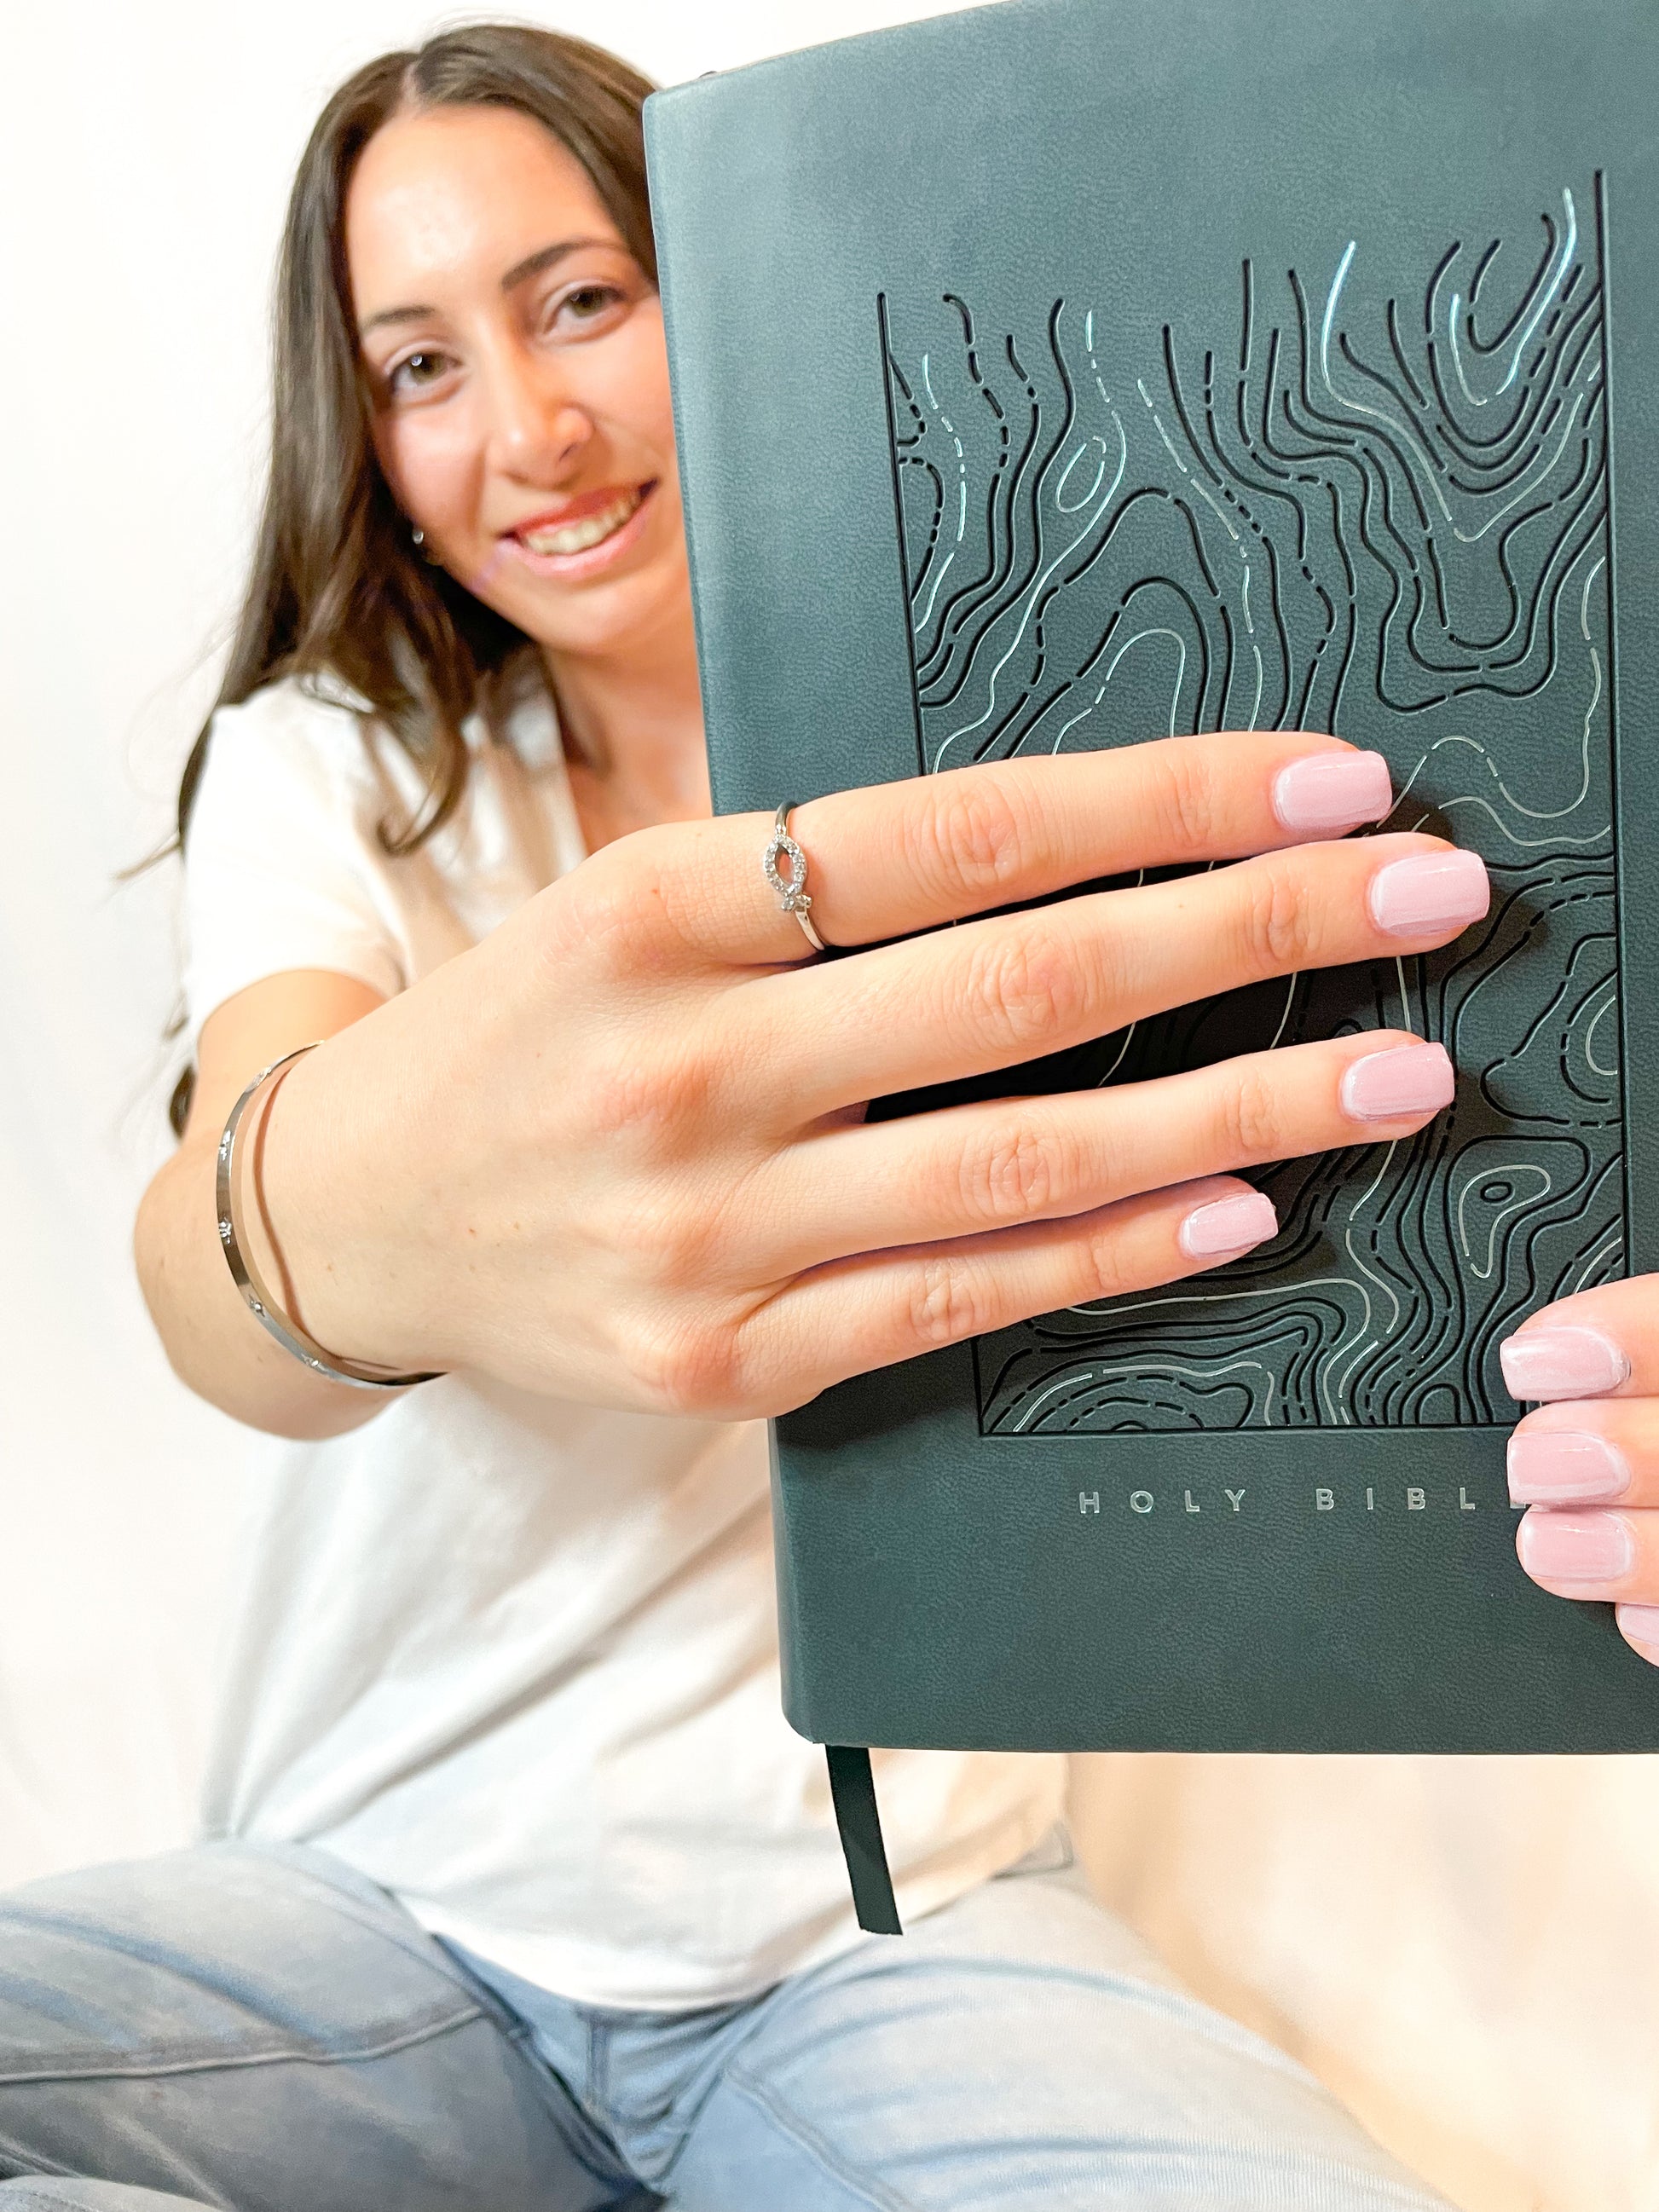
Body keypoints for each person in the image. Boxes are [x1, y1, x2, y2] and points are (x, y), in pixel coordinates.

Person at [3, 21, 1650, 2211]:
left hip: (898, 1922)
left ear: (726, 283)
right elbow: (234, 1238)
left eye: (581, 298)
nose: (530, 426)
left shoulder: (1053, 700)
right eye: (419, 366)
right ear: (367, 444)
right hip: (385, 1900)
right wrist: (329, 1215)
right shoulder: (340, 768)